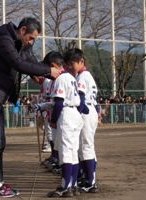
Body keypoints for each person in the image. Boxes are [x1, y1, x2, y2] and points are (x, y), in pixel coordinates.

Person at [0, 17, 60, 198]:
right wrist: (46, 71)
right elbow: (18, 63)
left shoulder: (22, 44)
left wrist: (42, 73)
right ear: (22, 30)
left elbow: (29, 60)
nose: (31, 42)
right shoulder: (5, 41)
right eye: (30, 37)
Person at [47, 48, 88, 198]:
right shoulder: (72, 77)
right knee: (73, 152)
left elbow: (59, 103)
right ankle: (73, 185)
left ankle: (65, 186)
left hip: (67, 115)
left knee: (65, 153)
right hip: (76, 114)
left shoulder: (62, 78)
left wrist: (52, 120)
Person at [76, 51, 99, 193]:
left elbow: (82, 98)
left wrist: (78, 112)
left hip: (86, 111)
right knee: (85, 146)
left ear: (81, 61)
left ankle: (90, 181)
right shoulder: (87, 75)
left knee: (86, 146)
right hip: (92, 110)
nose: (69, 66)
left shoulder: (82, 76)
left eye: (72, 62)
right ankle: (88, 178)